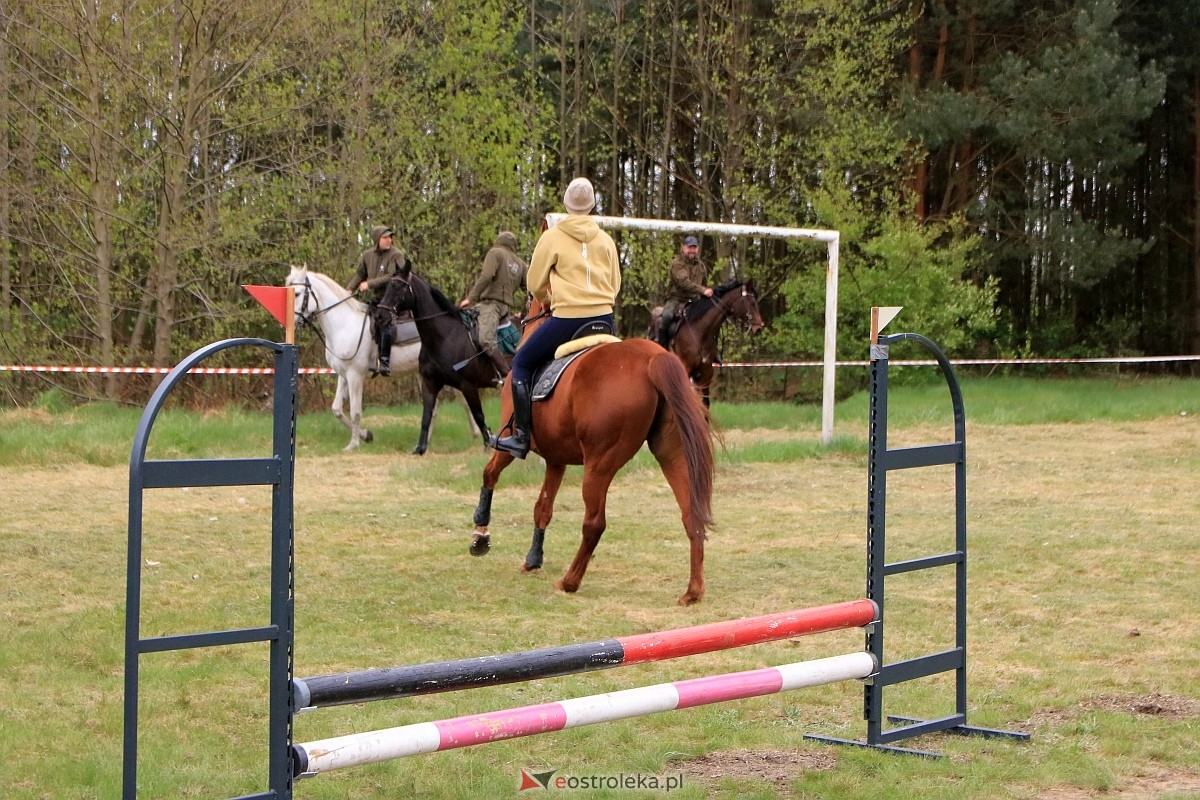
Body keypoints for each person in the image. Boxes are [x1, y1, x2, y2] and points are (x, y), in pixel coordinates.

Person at [491, 177, 621, 459]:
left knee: (523, 361)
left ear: (566, 204)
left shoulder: (552, 237)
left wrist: (551, 300)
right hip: (605, 320)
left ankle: (521, 437)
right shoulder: (607, 241)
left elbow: (534, 284)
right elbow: (615, 284)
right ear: (592, 206)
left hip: (568, 320)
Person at [459, 230, 528, 385]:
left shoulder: (495, 253)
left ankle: (507, 376)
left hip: (490, 305)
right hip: (505, 308)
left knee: (486, 339)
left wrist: (471, 298)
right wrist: (525, 312)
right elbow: (530, 290)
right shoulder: (521, 264)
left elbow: (487, 275)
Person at [346, 224, 410, 376]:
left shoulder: (396, 255)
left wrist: (370, 284)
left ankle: (385, 362)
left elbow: (393, 277)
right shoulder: (367, 256)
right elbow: (359, 274)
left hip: (392, 300)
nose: (389, 240)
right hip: (375, 300)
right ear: (377, 239)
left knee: (384, 325)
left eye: (390, 237)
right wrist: (349, 289)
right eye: (385, 237)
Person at [657, 235, 713, 348]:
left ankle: (711, 349)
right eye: (689, 247)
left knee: (711, 316)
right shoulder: (677, 264)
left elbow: (704, 284)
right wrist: (703, 290)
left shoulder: (701, 266)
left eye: (694, 247)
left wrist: (707, 294)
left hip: (695, 299)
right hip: (676, 298)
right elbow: (684, 283)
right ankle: (662, 346)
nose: (692, 250)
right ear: (683, 248)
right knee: (667, 316)